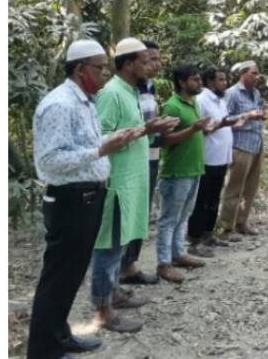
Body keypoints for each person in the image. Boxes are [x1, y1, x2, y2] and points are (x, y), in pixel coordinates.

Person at [27, 39, 141, 359]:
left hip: (87, 197)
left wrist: (113, 139)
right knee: (58, 278)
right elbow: (50, 161)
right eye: (99, 67)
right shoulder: (59, 104)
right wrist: (101, 149)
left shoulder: (85, 101)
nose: (105, 74)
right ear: (79, 69)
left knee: (71, 276)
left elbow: (83, 147)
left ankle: (60, 335)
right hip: (69, 200)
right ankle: (43, 350)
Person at [91, 38, 177, 333]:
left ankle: (113, 292)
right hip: (116, 185)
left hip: (131, 184)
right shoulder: (112, 93)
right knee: (108, 246)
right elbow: (99, 141)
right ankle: (103, 311)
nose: (149, 65)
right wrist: (146, 129)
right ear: (128, 64)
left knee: (119, 243)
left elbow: (132, 133)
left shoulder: (131, 92)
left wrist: (151, 129)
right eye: (143, 60)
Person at [155, 65, 213, 283]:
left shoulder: (194, 102)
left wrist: (202, 128)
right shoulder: (171, 105)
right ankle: (163, 264)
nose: (199, 83)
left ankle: (178, 254)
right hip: (177, 171)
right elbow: (165, 140)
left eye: (200, 79)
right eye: (195, 80)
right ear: (182, 82)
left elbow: (193, 131)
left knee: (183, 215)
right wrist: (193, 130)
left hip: (193, 168)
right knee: (168, 218)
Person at [187, 69, 245, 256]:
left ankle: (208, 234)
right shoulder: (202, 100)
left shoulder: (220, 100)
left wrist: (231, 123)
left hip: (221, 157)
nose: (225, 83)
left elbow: (221, 123)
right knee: (201, 200)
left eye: (225, 79)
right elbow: (200, 129)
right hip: (208, 157)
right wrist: (224, 124)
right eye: (221, 79)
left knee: (213, 198)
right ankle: (194, 240)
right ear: (210, 81)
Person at [119, 40, 162, 285]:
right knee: (129, 213)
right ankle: (120, 267)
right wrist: (150, 128)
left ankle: (130, 265)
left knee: (141, 213)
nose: (154, 65)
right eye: (148, 60)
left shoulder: (149, 87)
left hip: (151, 155)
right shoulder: (122, 90)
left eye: (155, 60)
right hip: (133, 159)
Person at [219, 60, 268, 240]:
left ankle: (242, 222)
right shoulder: (232, 94)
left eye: (258, 74)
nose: (257, 77)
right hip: (240, 145)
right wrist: (247, 115)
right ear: (242, 74)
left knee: (251, 187)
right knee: (234, 187)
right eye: (253, 73)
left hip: (256, 143)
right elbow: (223, 120)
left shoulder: (255, 93)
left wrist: (263, 115)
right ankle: (227, 227)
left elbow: (257, 114)